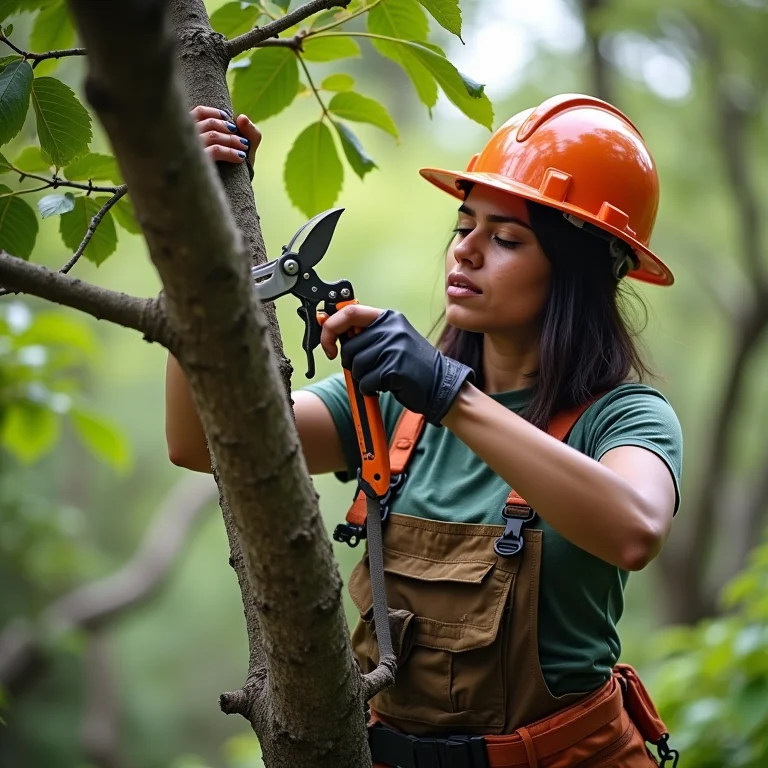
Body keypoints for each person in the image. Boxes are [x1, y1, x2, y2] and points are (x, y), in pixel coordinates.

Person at [167, 95, 683, 767]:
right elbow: (201, 443)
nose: (465, 251)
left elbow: (634, 528)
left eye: (505, 238)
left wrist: (446, 392)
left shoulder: (624, 416)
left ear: (578, 270)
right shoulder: (392, 401)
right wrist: (193, 238)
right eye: (464, 225)